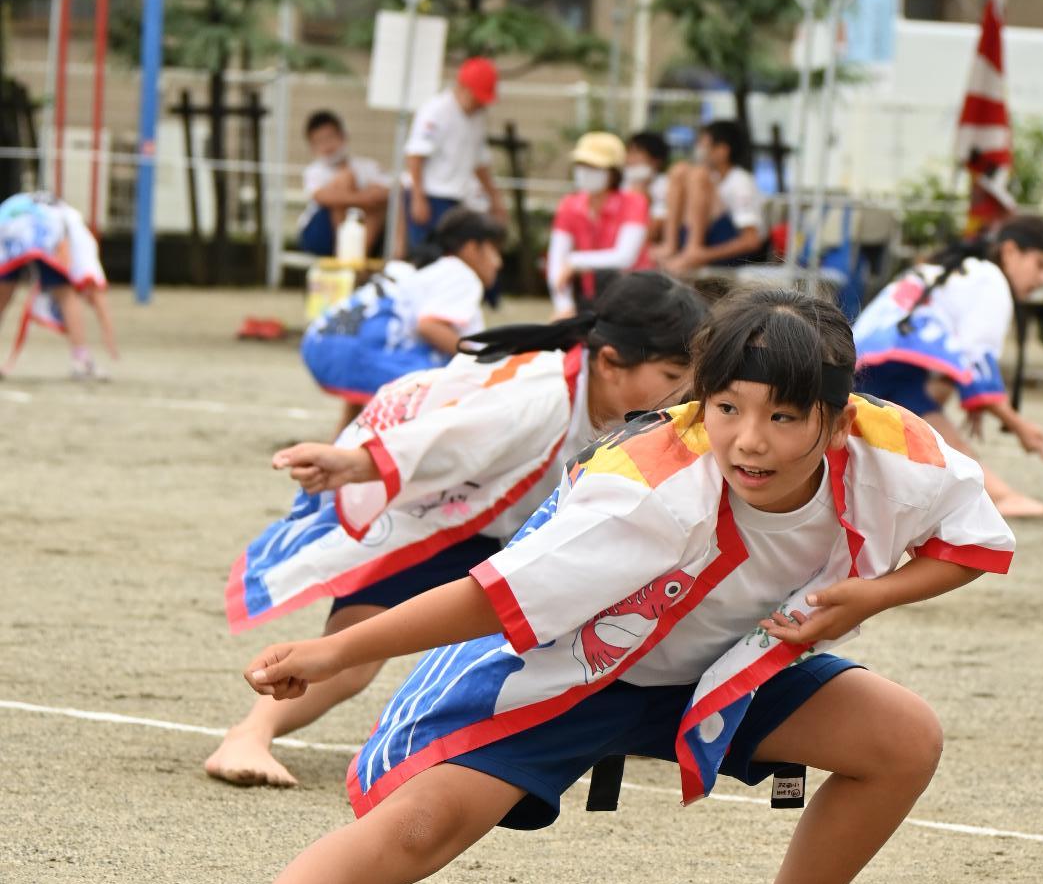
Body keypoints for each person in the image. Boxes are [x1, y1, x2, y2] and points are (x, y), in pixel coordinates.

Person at [183, 283, 1015, 884]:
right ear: (698, 397)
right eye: (725, 407)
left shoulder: (893, 449)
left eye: (784, 418)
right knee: (421, 825)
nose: (750, 441)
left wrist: (872, 596)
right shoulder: (645, 484)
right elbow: (492, 596)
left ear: (837, 420)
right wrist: (337, 648)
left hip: (726, 666)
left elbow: (969, 543)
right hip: (572, 668)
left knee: (902, 738)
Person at [207, 273, 707, 788]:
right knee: (354, 651)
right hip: (447, 514)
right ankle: (248, 734)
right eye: (672, 372)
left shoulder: (649, 410)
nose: (684, 389)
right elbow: (448, 437)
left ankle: (616, 724)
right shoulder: (538, 393)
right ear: (609, 363)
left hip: (516, 531)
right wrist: (356, 462)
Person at [853, 216, 1043, 520]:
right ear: (1010, 251)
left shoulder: (950, 269)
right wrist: (1020, 426)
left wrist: (974, 402)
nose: (1042, 280)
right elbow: (976, 361)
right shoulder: (992, 280)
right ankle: (1001, 498)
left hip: (862, 358)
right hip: (891, 366)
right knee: (946, 444)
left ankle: (977, 491)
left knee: (928, 421)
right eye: (1041, 265)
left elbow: (950, 367)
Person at [301, 206, 504, 429]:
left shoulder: (419, 267)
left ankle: (340, 448)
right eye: (494, 252)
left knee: (385, 375)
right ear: (472, 248)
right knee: (440, 380)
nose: (498, 263)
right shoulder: (461, 275)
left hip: (321, 341)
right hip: (353, 350)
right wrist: (482, 357)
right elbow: (429, 326)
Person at [0, 193, 116, 380]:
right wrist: (108, 334)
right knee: (65, 293)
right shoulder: (80, 235)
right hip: (41, 226)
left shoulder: (64, 216)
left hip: (7, 219)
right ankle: (82, 360)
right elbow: (97, 287)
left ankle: (81, 361)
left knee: (3, 292)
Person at [546, 132, 652, 318]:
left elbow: (624, 258)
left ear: (613, 172)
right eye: (581, 165)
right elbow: (556, 261)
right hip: (589, 300)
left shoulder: (635, 203)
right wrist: (563, 305)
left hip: (634, 300)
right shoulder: (570, 204)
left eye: (594, 166)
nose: (585, 171)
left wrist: (575, 261)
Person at [403, 57, 504, 248]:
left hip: (460, 198)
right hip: (430, 195)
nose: (480, 104)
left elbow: (479, 161)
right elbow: (415, 155)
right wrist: (418, 198)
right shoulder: (436, 111)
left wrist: (495, 198)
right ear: (463, 88)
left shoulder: (478, 117)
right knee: (427, 254)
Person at [655, 121, 767, 275]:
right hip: (706, 236)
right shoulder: (712, 176)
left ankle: (692, 250)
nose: (699, 149)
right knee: (679, 170)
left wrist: (703, 255)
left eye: (703, 144)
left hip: (727, 246)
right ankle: (671, 244)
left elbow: (751, 241)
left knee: (697, 175)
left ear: (722, 150)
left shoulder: (740, 181)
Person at [296, 111, 390, 258]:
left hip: (366, 228)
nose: (327, 146)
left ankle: (357, 260)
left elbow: (388, 192)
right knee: (345, 180)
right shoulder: (314, 171)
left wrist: (366, 197)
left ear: (343, 136)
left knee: (374, 195)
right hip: (320, 231)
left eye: (330, 138)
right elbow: (322, 197)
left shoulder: (367, 166)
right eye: (319, 141)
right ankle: (344, 256)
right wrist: (365, 199)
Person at [624, 130, 673, 242]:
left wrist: (642, 193)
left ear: (655, 160)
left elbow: (657, 227)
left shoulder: (666, 185)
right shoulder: (619, 184)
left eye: (636, 153)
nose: (629, 159)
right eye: (628, 152)